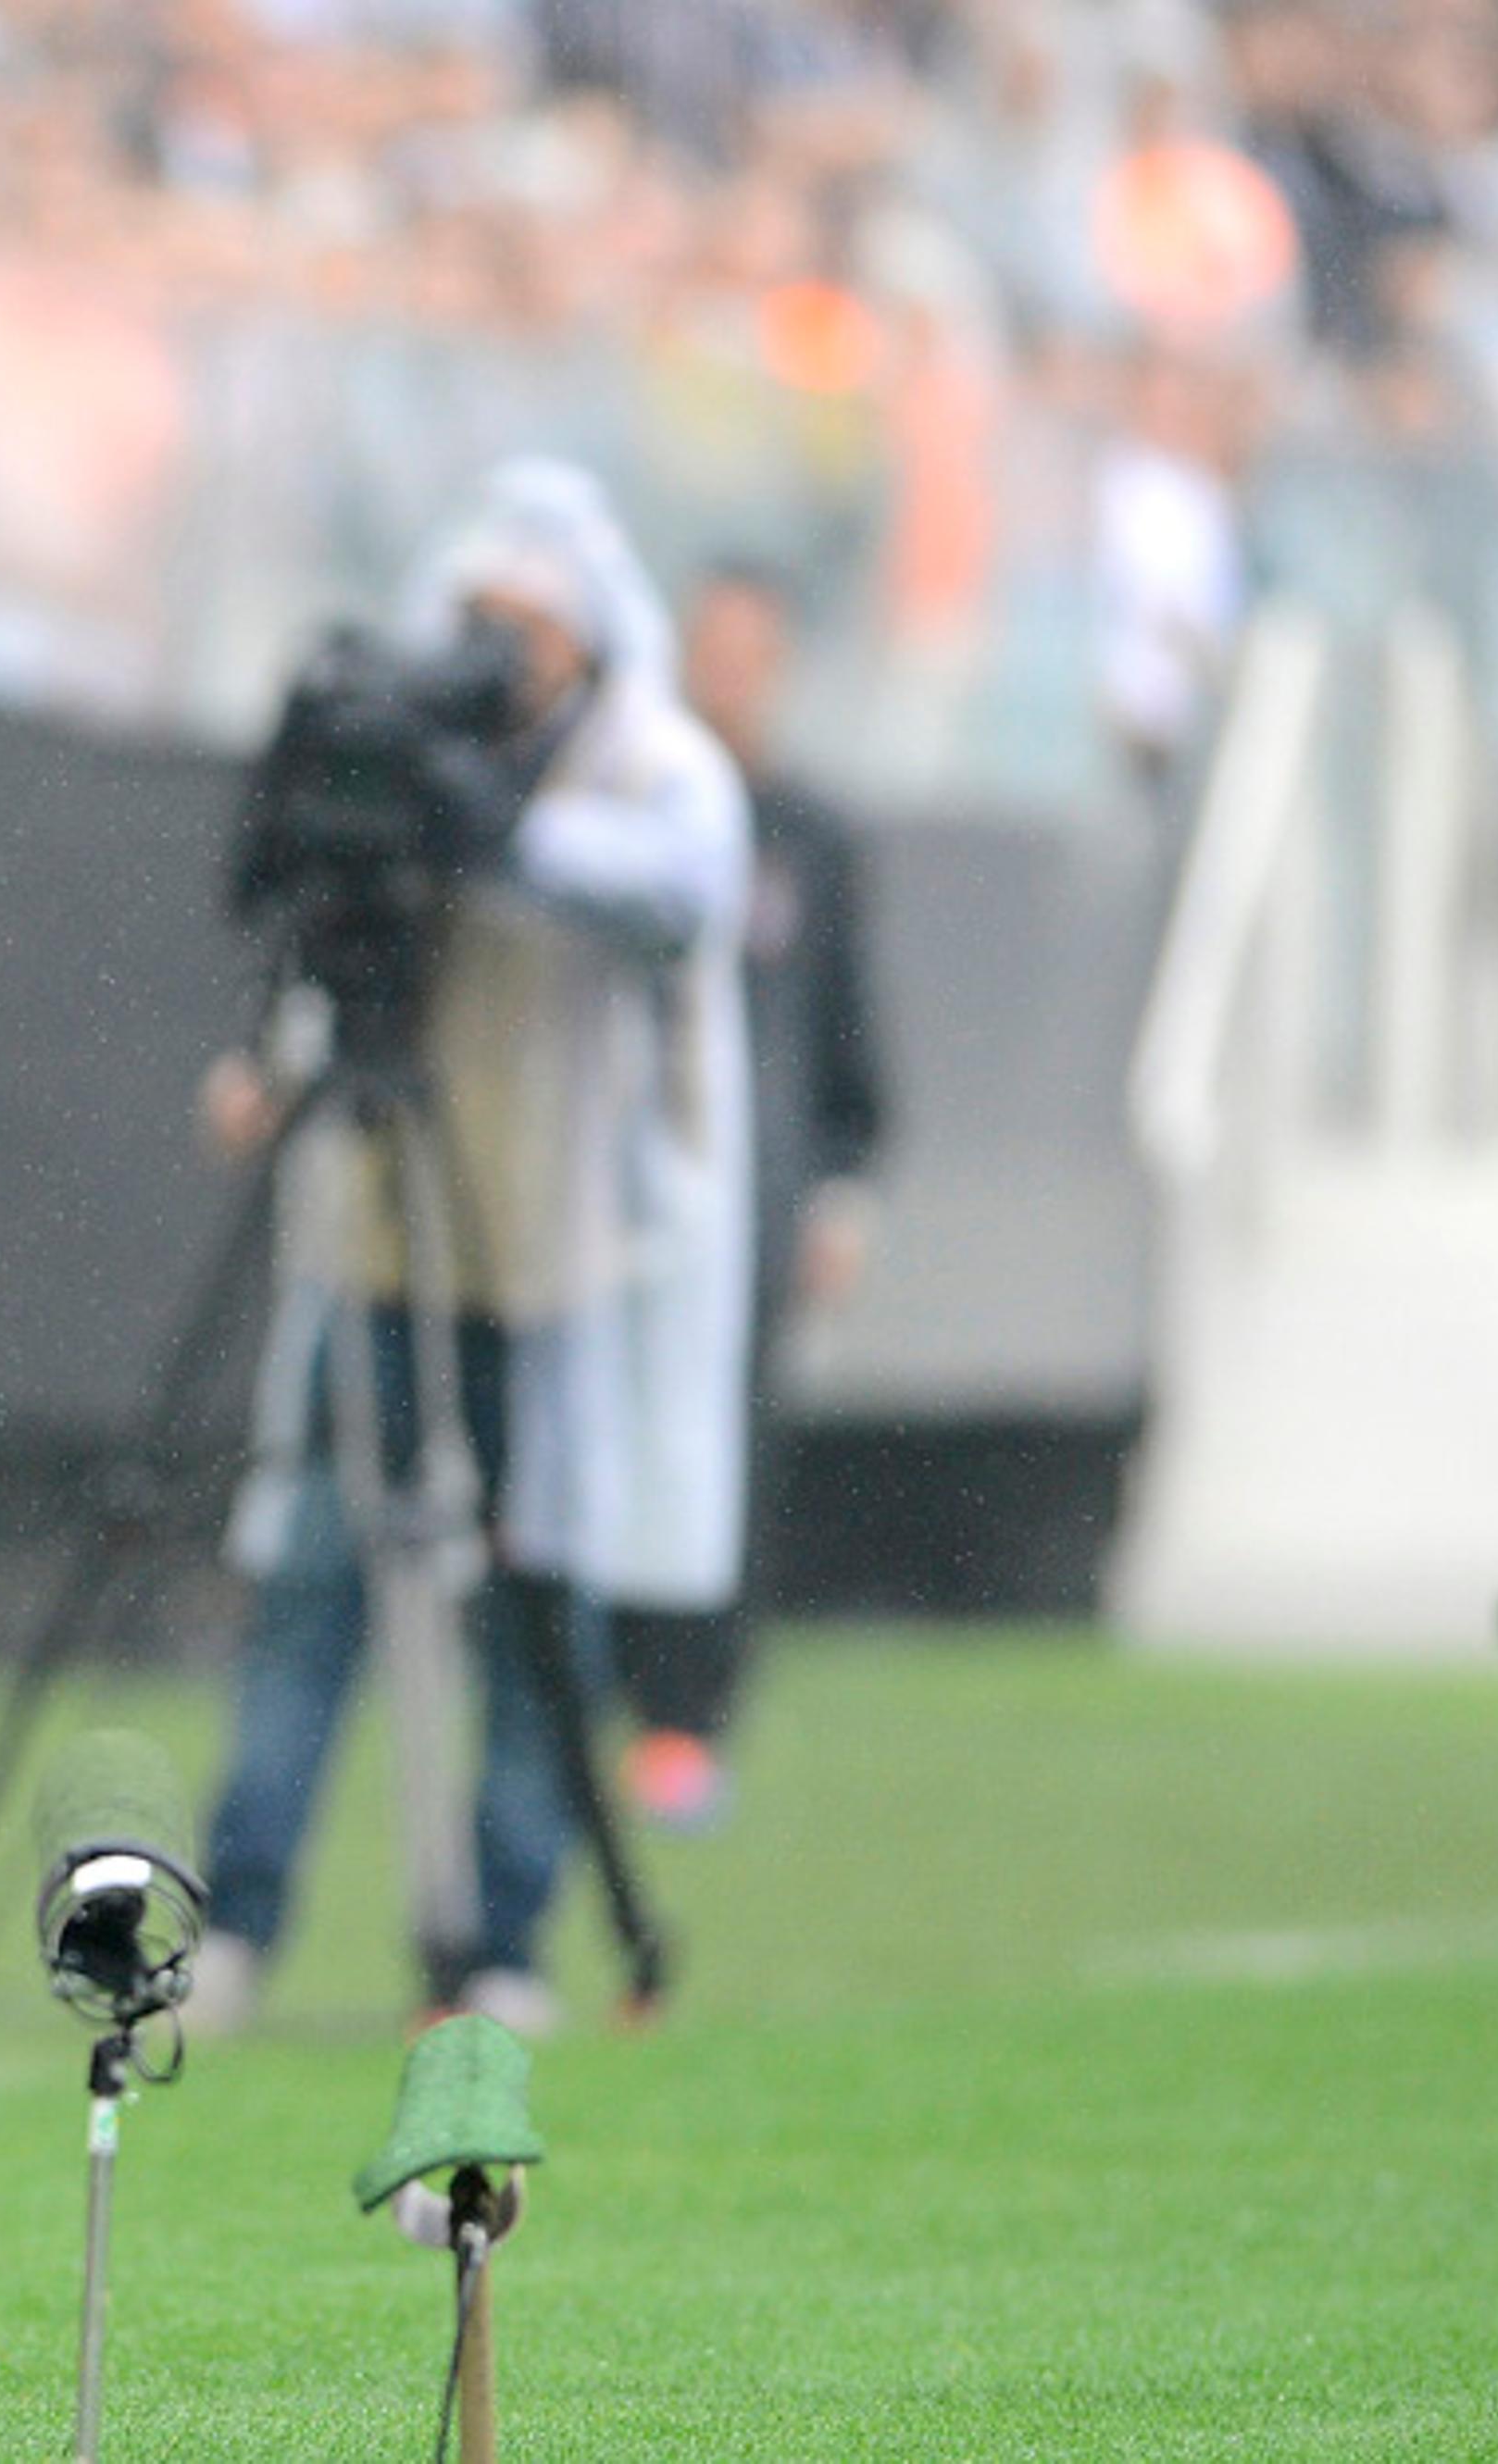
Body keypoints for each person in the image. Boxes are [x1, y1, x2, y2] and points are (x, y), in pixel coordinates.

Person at [186, 458, 747, 2038]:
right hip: (382, 1221)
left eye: (530, 628)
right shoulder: (415, 744)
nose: (502, 656)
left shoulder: (649, 764)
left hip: (553, 1249)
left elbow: (678, 896)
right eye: (479, 622)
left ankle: (504, 1938)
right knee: (315, 1576)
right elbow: (315, 908)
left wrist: (493, 833)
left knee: (533, 1601)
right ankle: (240, 1918)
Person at [614, 559, 888, 1833]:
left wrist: (841, 1189)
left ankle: (688, 1721)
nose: (725, 676)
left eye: (746, 653)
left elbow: (847, 1037)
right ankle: (593, 1705)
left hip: (756, 1208)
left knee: (728, 1459)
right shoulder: (627, 811)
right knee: (601, 1453)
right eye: (706, 650)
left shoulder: (812, 838)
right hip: (619, 1204)